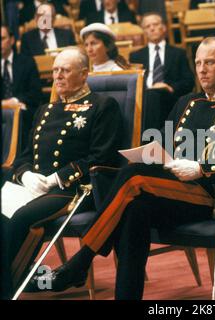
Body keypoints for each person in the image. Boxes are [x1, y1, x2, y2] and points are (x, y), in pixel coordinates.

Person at [26, 37, 215, 300]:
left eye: (209, 62)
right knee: (133, 209)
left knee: (133, 176)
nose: (201, 69)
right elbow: (162, 147)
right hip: (173, 190)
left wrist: (201, 167)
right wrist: (153, 154)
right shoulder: (186, 102)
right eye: (198, 63)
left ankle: (80, 262)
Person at [0, 47, 123, 300]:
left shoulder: (102, 106)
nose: (58, 76)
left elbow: (101, 158)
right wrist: (25, 175)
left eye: (65, 70)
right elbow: (24, 155)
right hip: (34, 186)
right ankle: (16, 279)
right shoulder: (45, 110)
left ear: (84, 74)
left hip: (74, 189)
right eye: (55, 70)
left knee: (22, 218)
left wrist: (57, 178)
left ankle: (6, 287)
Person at [130, 12, 194, 129]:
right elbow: (132, 83)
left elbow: (189, 81)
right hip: (145, 98)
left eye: (155, 24)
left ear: (164, 27)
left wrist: (170, 87)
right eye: (148, 26)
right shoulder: (135, 56)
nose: (152, 28)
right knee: (150, 97)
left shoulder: (178, 53)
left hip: (170, 98)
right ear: (144, 31)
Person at [1, 25, 42, 149]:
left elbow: (35, 93)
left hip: (24, 109)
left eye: (2, 38)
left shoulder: (27, 62)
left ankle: (15, 161)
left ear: (12, 40)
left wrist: (14, 101)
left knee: (18, 116)